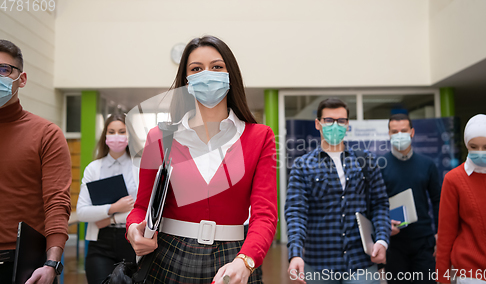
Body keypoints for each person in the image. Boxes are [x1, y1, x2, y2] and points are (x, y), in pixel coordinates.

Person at [126, 35, 278, 284]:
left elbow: (265, 215)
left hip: (235, 259)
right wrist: (133, 229)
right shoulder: (160, 138)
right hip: (167, 256)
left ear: (231, 75)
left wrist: (246, 261)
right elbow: (141, 207)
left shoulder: (259, 137)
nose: (207, 74)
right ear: (186, 81)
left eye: (217, 67)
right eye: (196, 69)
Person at [285, 98, 391, 284]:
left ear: (348, 125)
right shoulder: (303, 166)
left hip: (361, 262)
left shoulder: (365, 161)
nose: (336, 125)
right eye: (329, 120)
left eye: (341, 121)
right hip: (319, 265)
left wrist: (382, 240)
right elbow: (296, 212)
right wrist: (295, 253)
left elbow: (380, 204)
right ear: (318, 124)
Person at [0, 39, 71, 283]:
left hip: (22, 265)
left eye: (4, 69)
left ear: (22, 79)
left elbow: (57, 202)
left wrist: (52, 262)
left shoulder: (46, 133)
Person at [436, 114, 486, 284]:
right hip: (470, 271)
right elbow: (445, 233)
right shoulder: (454, 179)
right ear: (466, 145)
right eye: (473, 147)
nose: (480, 152)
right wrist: (442, 277)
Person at [76, 113, 138, 284]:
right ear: (105, 136)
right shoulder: (93, 169)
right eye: (111, 131)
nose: (116, 136)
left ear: (129, 135)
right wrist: (114, 207)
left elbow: (144, 211)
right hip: (100, 244)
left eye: (121, 131)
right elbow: (81, 212)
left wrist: (110, 219)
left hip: (131, 240)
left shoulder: (139, 167)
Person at [380, 113, 441, 283]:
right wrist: (383, 228)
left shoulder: (427, 164)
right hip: (394, 242)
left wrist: (440, 234)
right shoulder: (380, 165)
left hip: (423, 241)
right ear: (389, 134)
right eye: (395, 131)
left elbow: (438, 200)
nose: (399, 135)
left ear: (412, 132)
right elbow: (374, 204)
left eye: (404, 130)